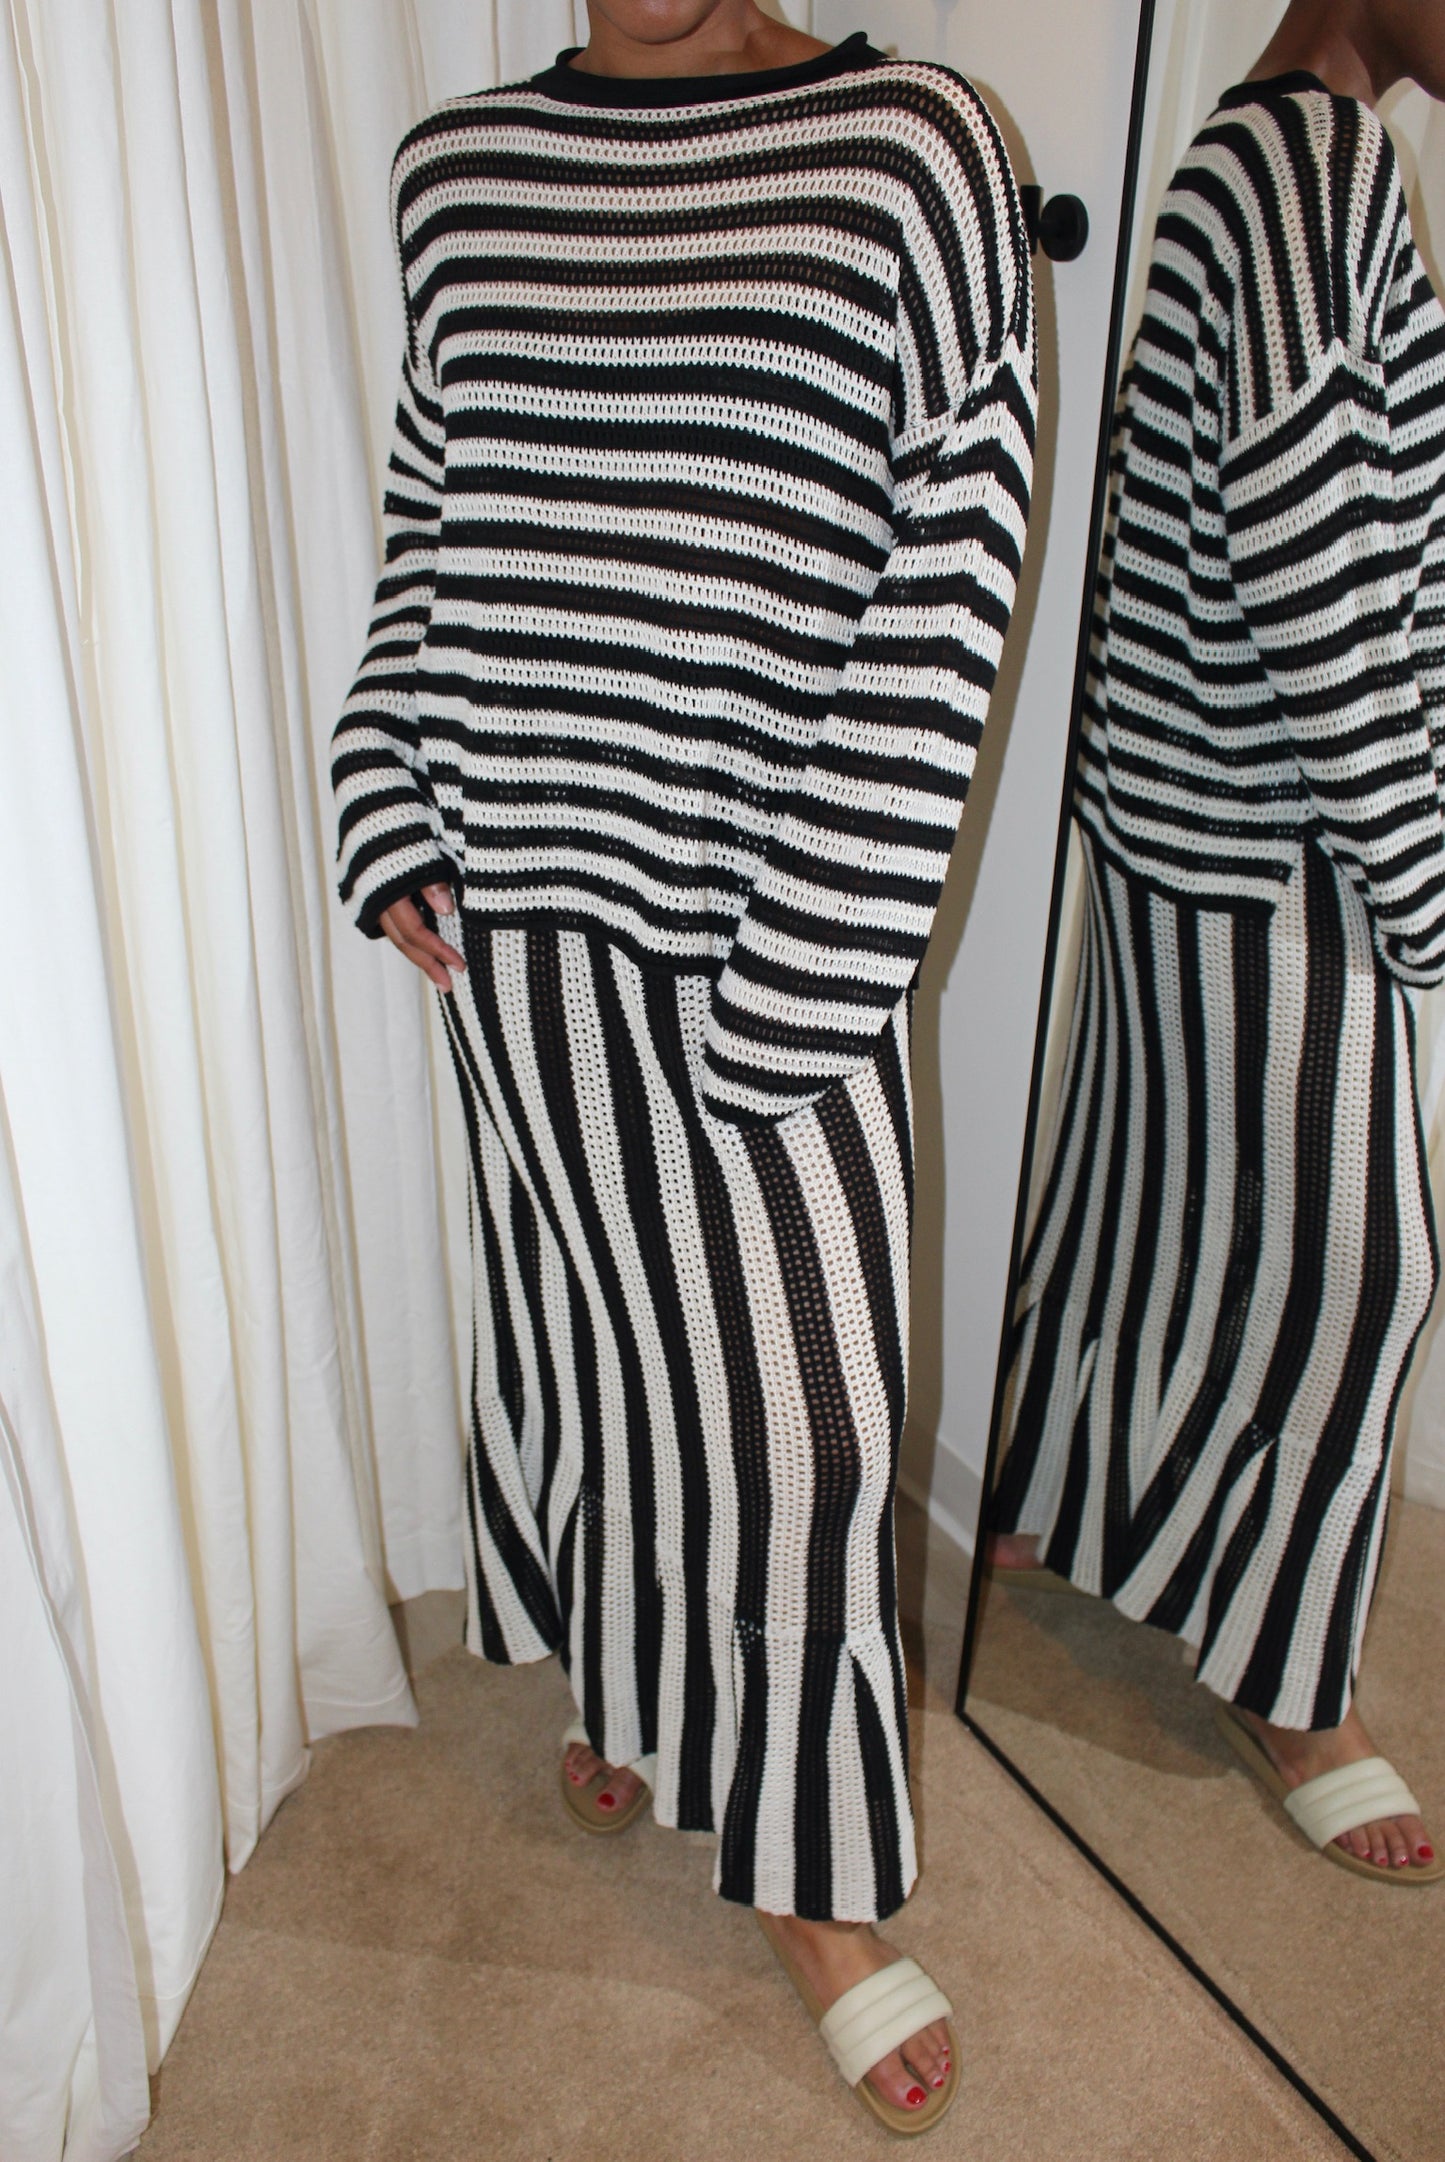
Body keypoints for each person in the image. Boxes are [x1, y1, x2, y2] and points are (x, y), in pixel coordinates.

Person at [332, 0, 1036, 2126]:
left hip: (769, 932)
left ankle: (813, 1874)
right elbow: (432, 518)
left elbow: (950, 589)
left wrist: (806, 975)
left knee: (806, 1428)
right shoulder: (457, 175)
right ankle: (630, 1670)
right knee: (590, 1336)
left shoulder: (915, 146)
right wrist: (386, 788)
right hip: (520, 922)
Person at [991, 0, 1445, 1886]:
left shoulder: (1228, 153)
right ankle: (1284, 1678)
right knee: (1367, 1264)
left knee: (1142, 1179)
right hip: (1275, 830)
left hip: (1179, 799)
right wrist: (1417, 869)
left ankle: (1040, 1491)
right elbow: (1308, 549)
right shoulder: (1315, 167)